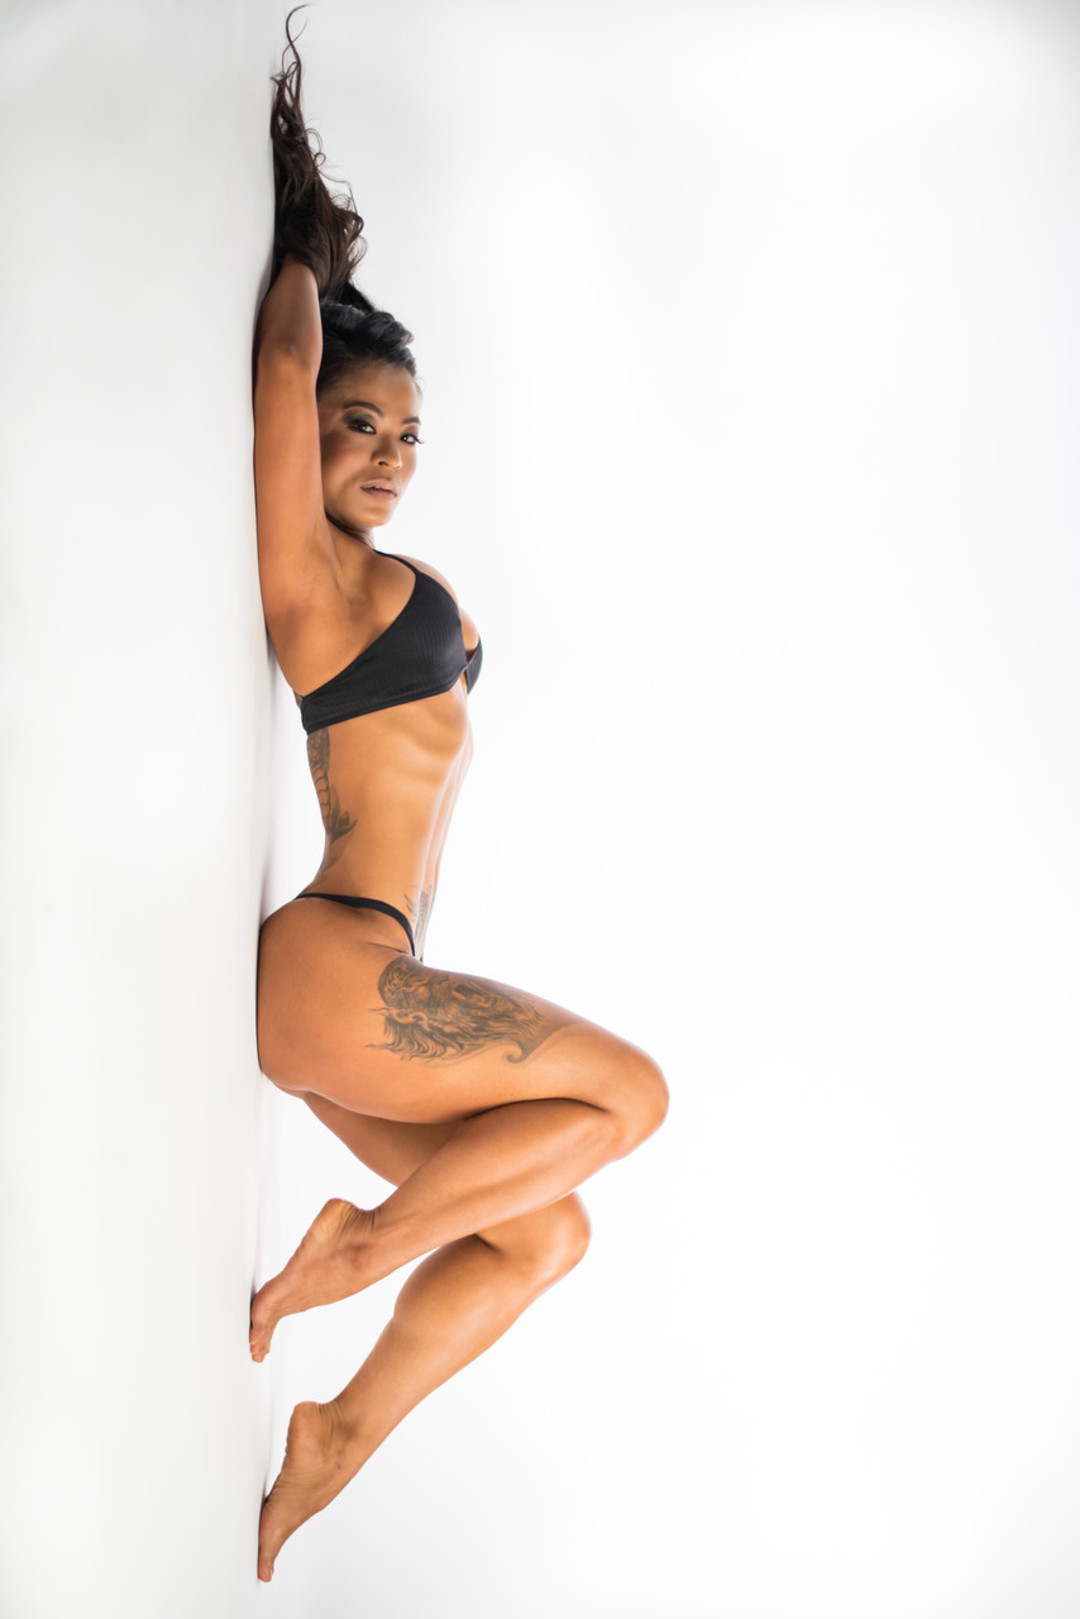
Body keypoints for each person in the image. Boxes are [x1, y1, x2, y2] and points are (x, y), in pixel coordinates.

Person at [251, 10, 669, 1584]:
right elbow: (285, 362)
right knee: (632, 1099)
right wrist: (303, 259)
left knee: (547, 1229)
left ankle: (333, 1440)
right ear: (307, 430)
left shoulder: (381, 573)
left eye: (409, 435)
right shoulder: (316, 578)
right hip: (335, 968)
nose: (391, 457)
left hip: (360, 987)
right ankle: (356, 1249)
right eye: (360, 427)